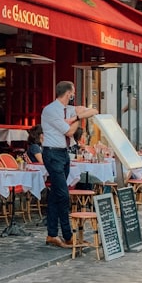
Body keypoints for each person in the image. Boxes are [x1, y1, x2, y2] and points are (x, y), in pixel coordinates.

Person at [41, 81, 98, 248]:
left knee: (55, 195)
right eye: (73, 93)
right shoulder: (51, 110)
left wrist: (75, 116)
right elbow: (69, 131)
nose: (74, 96)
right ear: (69, 94)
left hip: (63, 153)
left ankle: (52, 234)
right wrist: (79, 117)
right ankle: (67, 235)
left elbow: (93, 110)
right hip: (52, 153)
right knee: (63, 195)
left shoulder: (70, 110)